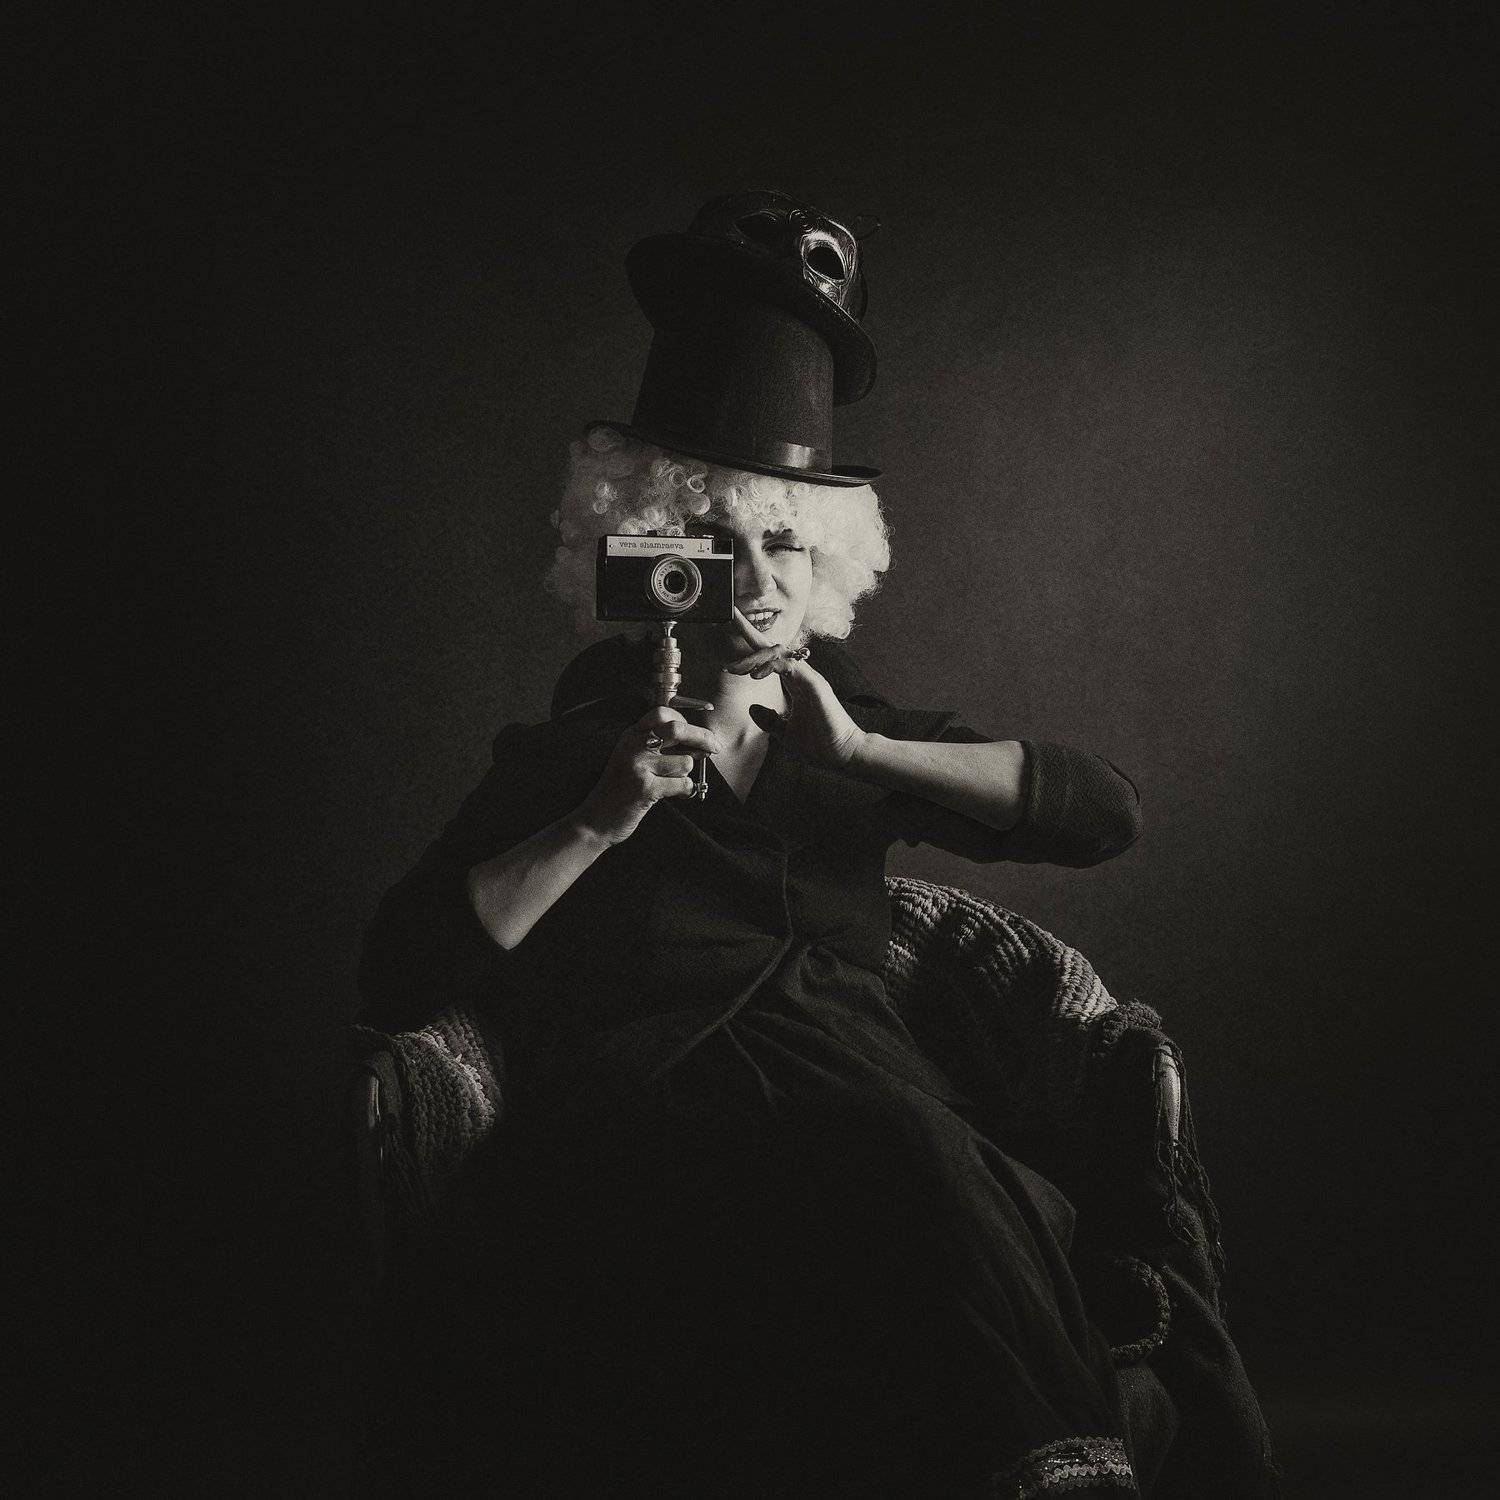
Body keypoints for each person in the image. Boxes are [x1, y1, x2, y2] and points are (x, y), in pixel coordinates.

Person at [359, 192, 1162, 1497]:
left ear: (827, 561)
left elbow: (1103, 812)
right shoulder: (571, 755)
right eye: (715, 542)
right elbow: (399, 972)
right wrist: (596, 820)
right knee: (907, 1174)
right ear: (652, 557)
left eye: (786, 540)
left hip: (876, 1134)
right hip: (656, 1143)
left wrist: (869, 759)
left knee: (921, 1165)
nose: (758, 577)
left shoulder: (851, 739)